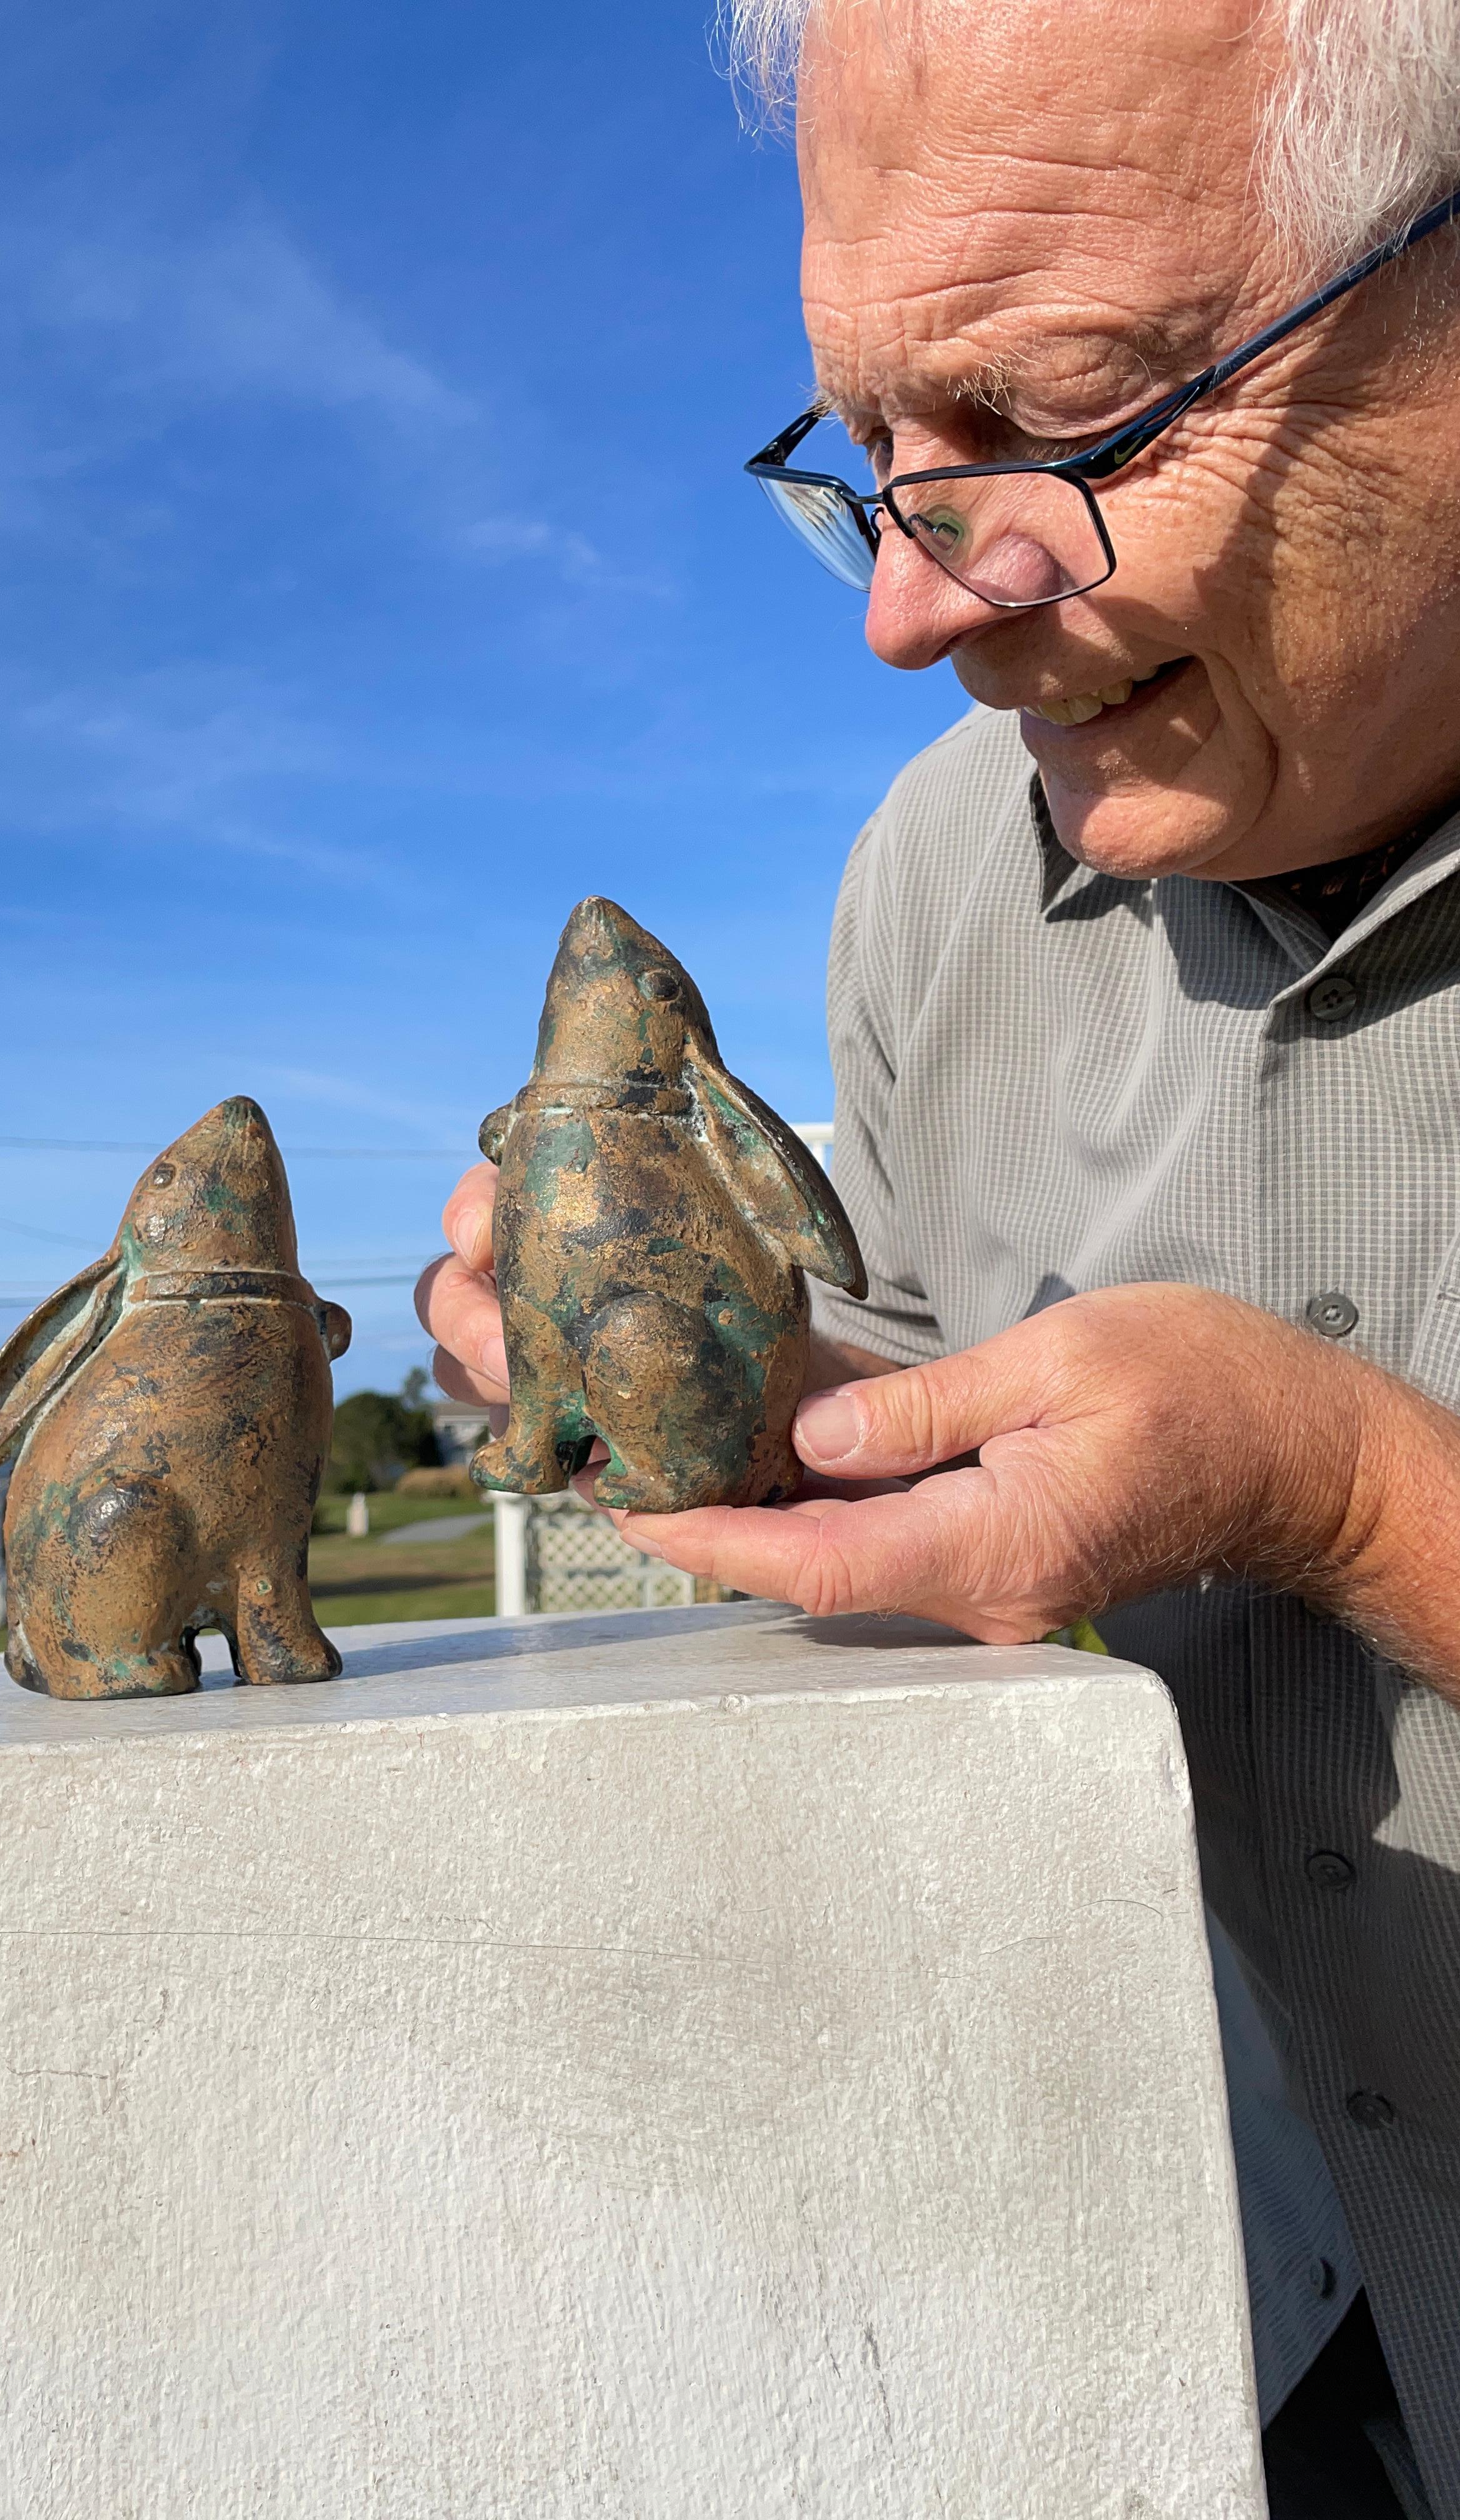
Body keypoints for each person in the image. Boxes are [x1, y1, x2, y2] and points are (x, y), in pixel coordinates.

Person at [418, 4, 1460, 2512]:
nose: (906, 613)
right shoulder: (930, 887)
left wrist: (1339, 1495)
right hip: (1264, 2315)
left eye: (1068, 421)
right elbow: (985, 1407)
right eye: (874, 455)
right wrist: (752, 1379)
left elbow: (1251, 1468)